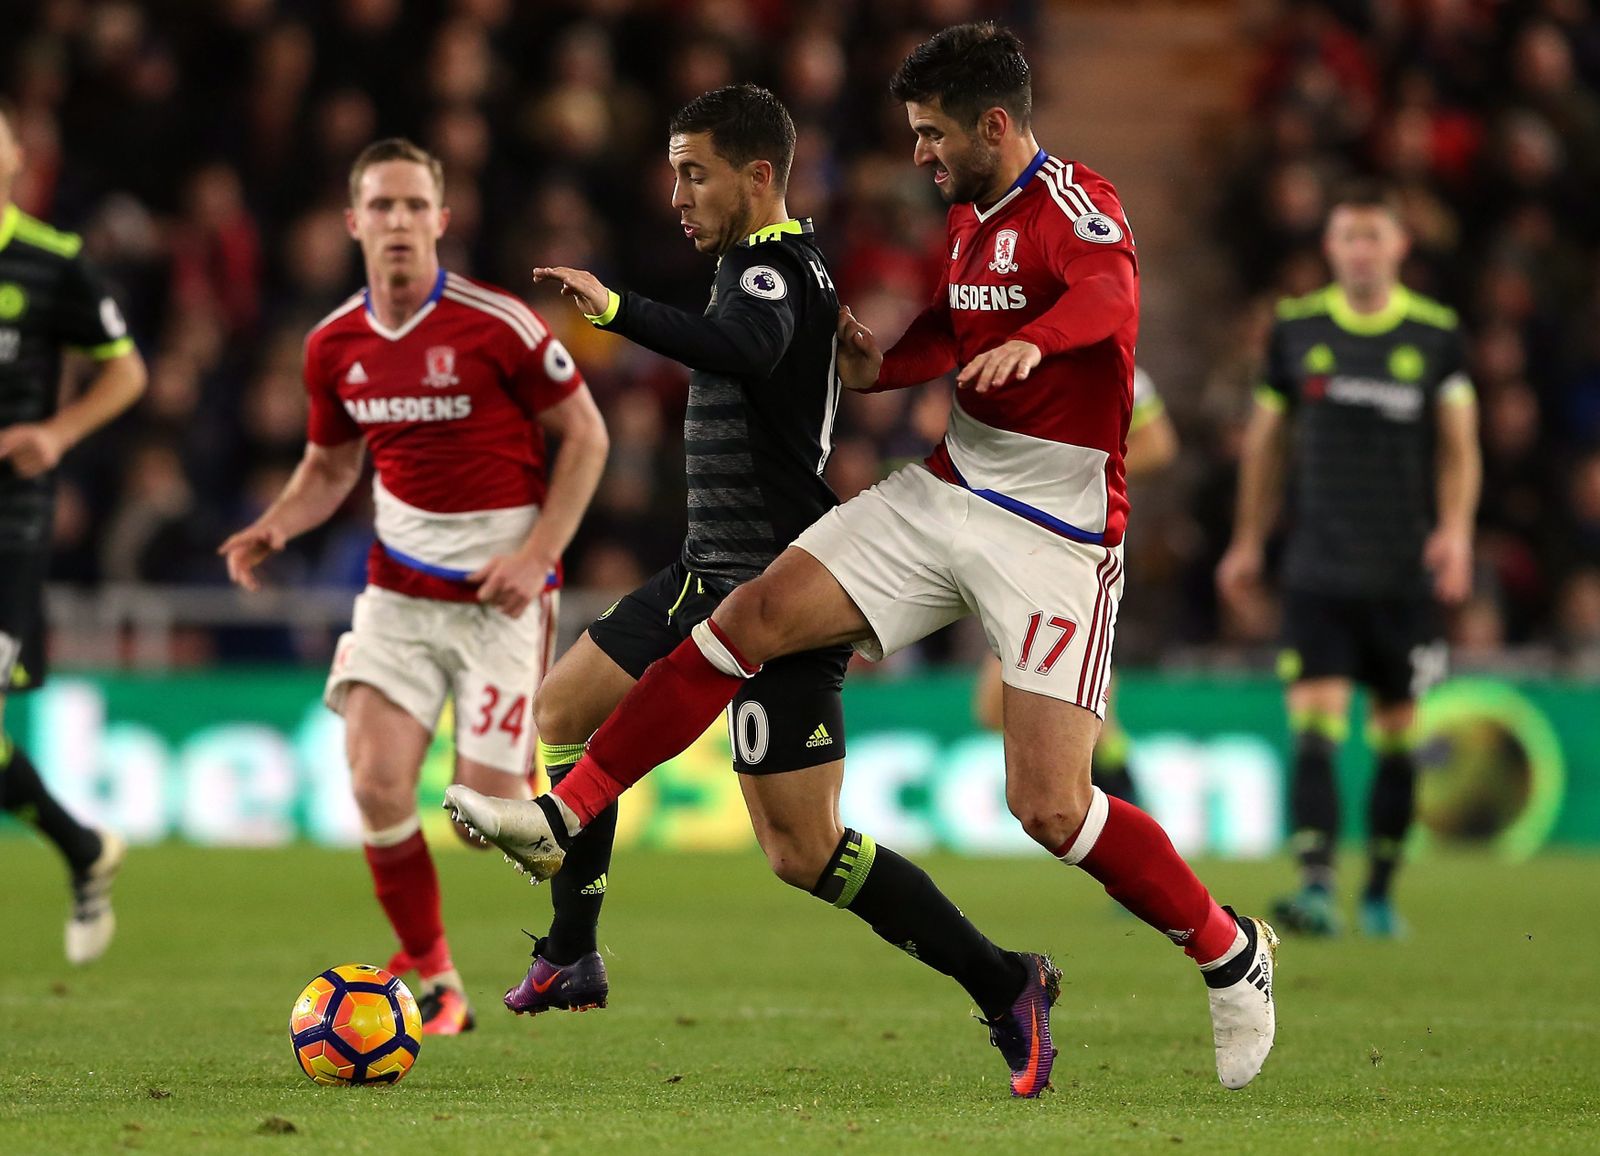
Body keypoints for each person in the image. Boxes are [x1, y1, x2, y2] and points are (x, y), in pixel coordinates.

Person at [450, 25, 1278, 1093]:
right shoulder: (968, 219)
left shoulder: (1076, 204)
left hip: (1057, 527)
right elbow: (954, 324)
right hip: (947, 489)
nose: (921, 156)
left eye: (933, 135)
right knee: (748, 616)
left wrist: (1047, 340)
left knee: (1051, 808)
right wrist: (890, 361)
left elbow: (1110, 300)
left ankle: (1227, 950)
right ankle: (566, 816)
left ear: (994, 124)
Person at [495, 83, 1058, 1099]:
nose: (676, 193)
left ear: (758, 174)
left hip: (776, 590)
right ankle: (572, 949)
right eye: (673, 170)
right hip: (702, 571)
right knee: (563, 709)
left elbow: (742, 350)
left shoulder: (770, 272)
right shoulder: (767, 269)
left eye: (694, 171)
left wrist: (617, 307)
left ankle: (1005, 979)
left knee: (803, 852)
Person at [220, 138, 608, 1032]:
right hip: (396, 591)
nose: (397, 222)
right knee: (376, 781)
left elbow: (588, 437)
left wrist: (536, 555)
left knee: (485, 819)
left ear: (441, 218)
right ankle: (434, 976)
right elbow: (327, 466)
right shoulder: (333, 344)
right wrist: (277, 522)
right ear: (354, 222)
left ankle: (575, 868)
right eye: (380, 207)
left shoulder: (496, 323)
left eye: (412, 205)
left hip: (501, 597)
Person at [1217, 180, 1480, 938]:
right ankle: (1319, 885)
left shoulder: (1436, 334)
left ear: (1399, 246)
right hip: (1318, 567)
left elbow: (1461, 445)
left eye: (1374, 236)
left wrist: (1456, 532)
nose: (1361, 250)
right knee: (1315, 729)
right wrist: (1247, 540)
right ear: (1329, 249)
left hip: (1403, 570)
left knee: (1398, 736)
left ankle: (1380, 893)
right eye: (1348, 237)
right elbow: (1266, 444)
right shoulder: (1296, 330)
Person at [0, 103, 146, 965]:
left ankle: (81, 846)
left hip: (8, 517)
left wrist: (57, 434)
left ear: (17, 156)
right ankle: (83, 846)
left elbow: (126, 373)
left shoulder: (51, 263)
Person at [973, 364, 1179, 811]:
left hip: (1078, 551)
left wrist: (1082, 471)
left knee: (1010, 702)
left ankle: (1122, 811)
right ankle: (1124, 809)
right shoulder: (1012, 366)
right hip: (1028, 550)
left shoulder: (1110, 364)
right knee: (1021, 706)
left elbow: (1159, 445)